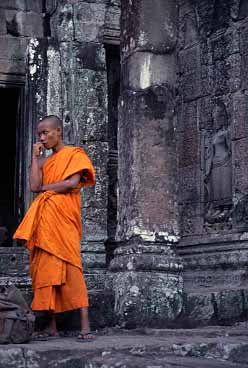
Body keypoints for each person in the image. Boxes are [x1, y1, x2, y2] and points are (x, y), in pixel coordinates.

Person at [13, 115, 96, 342]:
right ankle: (51, 326)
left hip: (64, 218)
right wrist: (34, 158)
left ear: (58, 131)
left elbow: (71, 184)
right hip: (45, 221)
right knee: (45, 271)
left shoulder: (74, 154)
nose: (42, 137)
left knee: (72, 267)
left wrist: (45, 189)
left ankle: (85, 325)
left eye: (46, 132)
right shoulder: (43, 162)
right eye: (39, 134)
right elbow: (33, 186)